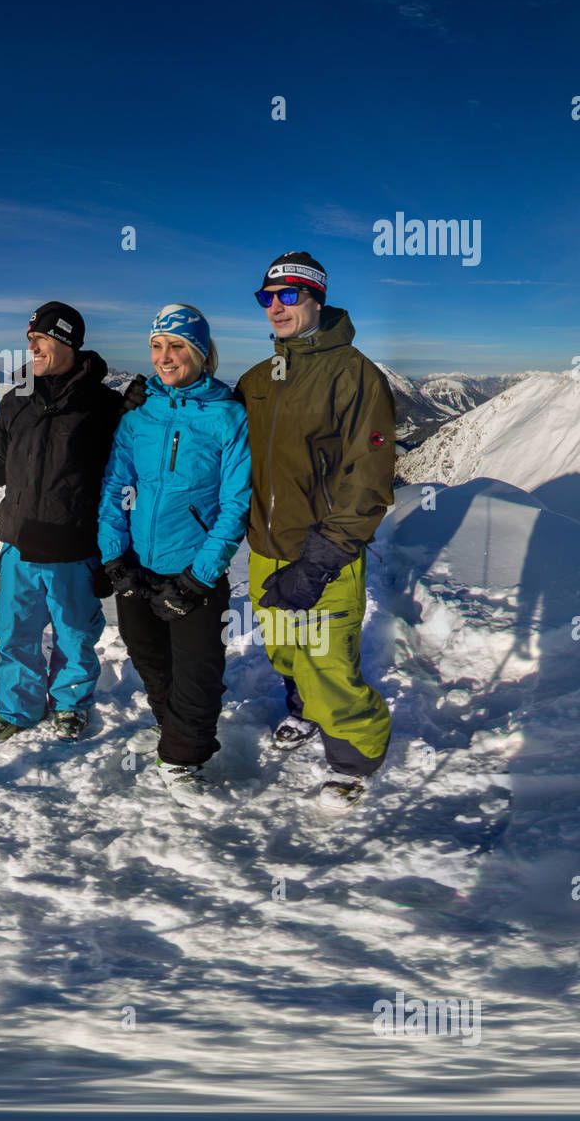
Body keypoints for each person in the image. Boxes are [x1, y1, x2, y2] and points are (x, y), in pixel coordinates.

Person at [0, 302, 126, 743]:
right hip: (19, 546)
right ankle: (17, 709)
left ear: (68, 342)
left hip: (75, 552)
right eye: (30, 339)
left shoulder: (106, 406)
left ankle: (71, 705)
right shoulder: (16, 398)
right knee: (15, 635)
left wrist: (116, 554)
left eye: (41, 339)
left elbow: (123, 480)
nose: (31, 346)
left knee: (75, 636)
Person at [235, 251, 396, 806]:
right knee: (283, 650)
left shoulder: (355, 374)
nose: (276, 307)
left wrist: (323, 556)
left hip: (324, 550)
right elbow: (220, 440)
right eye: (266, 297)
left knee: (326, 660)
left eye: (288, 296)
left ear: (316, 299)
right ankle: (303, 710)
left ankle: (357, 753)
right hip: (267, 546)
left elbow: (368, 479)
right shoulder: (258, 378)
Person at [94, 305, 252, 794]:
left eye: (178, 345)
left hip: (193, 567)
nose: (165, 356)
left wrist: (200, 576)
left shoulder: (227, 416)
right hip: (139, 565)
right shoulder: (139, 414)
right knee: (148, 656)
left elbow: (235, 503)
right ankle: (171, 728)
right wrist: (116, 557)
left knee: (198, 671)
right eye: (157, 346)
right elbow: (116, 486)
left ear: (202, 353)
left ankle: (183, 760)